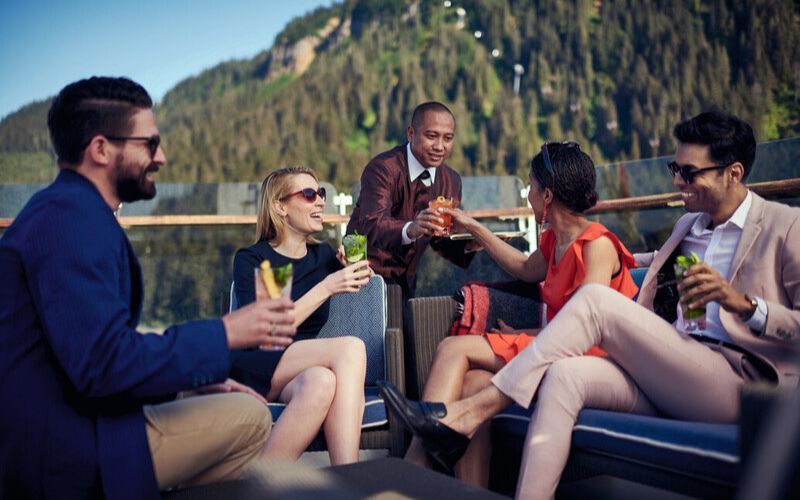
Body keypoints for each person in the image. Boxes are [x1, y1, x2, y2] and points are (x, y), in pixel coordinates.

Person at [379, 110, 800, 499]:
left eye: (688, 173)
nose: (677, 182)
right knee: (565, 374)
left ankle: (462, 419)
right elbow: (638, 263)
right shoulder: (689, 225)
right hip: (668, 368)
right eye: (675, 169)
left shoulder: (785, 226)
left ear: (734, 173)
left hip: (737, 381)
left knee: (592, 300)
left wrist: (743, 304)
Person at [0, 77, 296, 499]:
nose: (161, 157)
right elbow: (101, 364)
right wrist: (227, 332)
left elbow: (91, 344)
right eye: (149, 143)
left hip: (78, 418)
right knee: (251, 418)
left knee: (241, 411)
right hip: (69, 446)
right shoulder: (69, 221)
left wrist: (190, 382)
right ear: (101, 149)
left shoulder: (65, 211)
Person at [402, 142, 639, 484]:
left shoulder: (597, 245)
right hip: (555, 347)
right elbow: (526, 270)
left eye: (531, 186)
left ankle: (414, 465)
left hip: (590, 357)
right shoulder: (555, 240)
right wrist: (473, 227)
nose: (527, 194)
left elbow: (590, 329)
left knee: (454, 347)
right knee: (473, 382)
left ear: (548, 196)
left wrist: (525, 336)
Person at [231, 166, 371, 465]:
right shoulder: (256, 258)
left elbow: (363, 274)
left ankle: (262, 484)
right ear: (280, 206)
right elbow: (270, 329)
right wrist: (327, 287)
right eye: (309, 194)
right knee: (351, 348)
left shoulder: (324, 257)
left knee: (321, 382)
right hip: (259, 361)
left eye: (320, 193)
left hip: (296, 369)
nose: (320, 200)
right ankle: (350, 475)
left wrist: (356, 270)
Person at [346, 101, 476, 297]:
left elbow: (439, 240)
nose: (440, 146)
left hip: (407, 278)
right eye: (431, 136)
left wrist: (470, 244)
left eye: (448, 138)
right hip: (362, 271)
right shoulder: (382, 168)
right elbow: (372, 223)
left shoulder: (452, 180)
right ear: (410, 134)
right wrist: (412, 228)